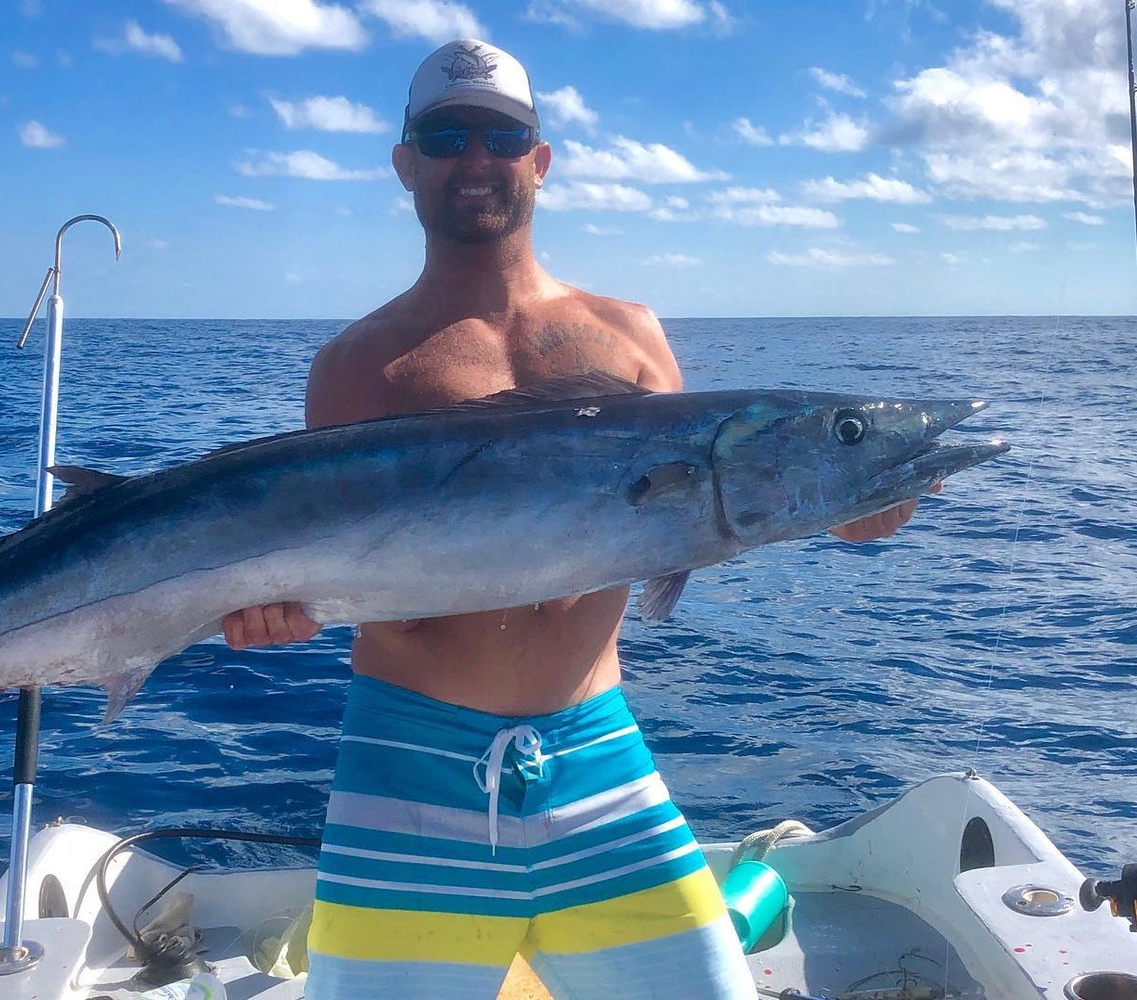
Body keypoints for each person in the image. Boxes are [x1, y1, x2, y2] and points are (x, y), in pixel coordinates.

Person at [222, 39, 928, 999]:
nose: (475, 157)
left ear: (539, 161)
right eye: (445, 134)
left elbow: (691, 528)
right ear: (406, 165)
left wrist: (833, 513)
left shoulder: (632, 334)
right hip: (407, 774)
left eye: (502, 136)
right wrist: (275, 608)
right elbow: (337, 570)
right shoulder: (358, 365)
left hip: (597, 760)